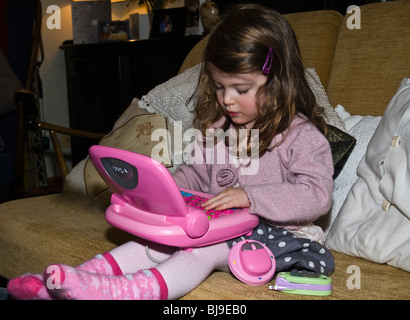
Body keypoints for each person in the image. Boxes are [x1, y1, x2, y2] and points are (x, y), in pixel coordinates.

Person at [7, 4, 335, 300]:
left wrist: (250, 196)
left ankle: (118, 294)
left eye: (241, 89)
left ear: (278, 81)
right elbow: (194, 174)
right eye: (219, 87)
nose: (227, 100)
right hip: (220, 225)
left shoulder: (301, 136)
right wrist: (166, 189)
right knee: (153, 242)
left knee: (201, 251)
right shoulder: (219, 128)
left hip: (281, 238)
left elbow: (317, 196)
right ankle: (69, 282)